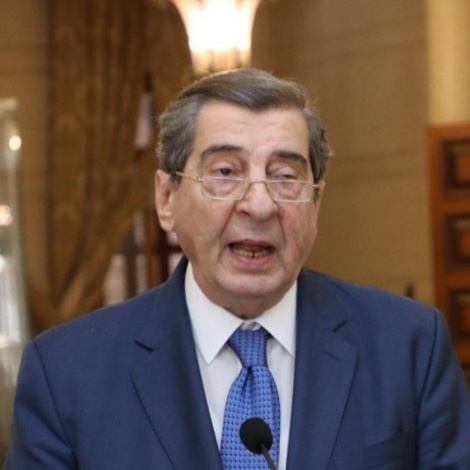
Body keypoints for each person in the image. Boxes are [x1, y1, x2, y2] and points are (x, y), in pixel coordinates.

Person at [4, 68, 470, 470]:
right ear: (166, 199)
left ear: (316, 202)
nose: (260, 205)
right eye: (226, 172)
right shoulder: (67, 373)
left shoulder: (409, 348)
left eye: (285, 177)